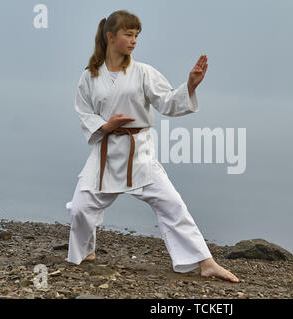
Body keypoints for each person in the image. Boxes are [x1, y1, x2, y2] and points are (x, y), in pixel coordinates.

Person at [64, 10, 239, 283]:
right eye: (128, 35)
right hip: (106, 154)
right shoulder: (90, 75)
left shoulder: (143, 72)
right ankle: (86, 250)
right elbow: (83, 111)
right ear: (110, 37)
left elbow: (167, 102)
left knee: (172, 204)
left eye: (136, 36)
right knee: (80, 207)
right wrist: (105, 126)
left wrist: (190, 86)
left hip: (139, 153)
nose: (134, 41)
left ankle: (205, 262)